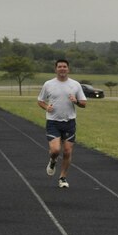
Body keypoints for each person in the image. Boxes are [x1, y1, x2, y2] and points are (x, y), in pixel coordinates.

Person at [36, 59, 86, 188]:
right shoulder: (48, 84)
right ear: (56, 69)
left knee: (68, 152)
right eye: (60, 67)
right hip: (53, 122)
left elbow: (83, 103)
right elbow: (40, 101)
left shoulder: (75, 85)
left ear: (68, 69)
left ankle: (62, 177)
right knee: (55, 150)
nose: (62, 69)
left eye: (64, 66)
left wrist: (76, 101)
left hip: (69, 122)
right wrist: (46, 107)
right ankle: (53, 161)